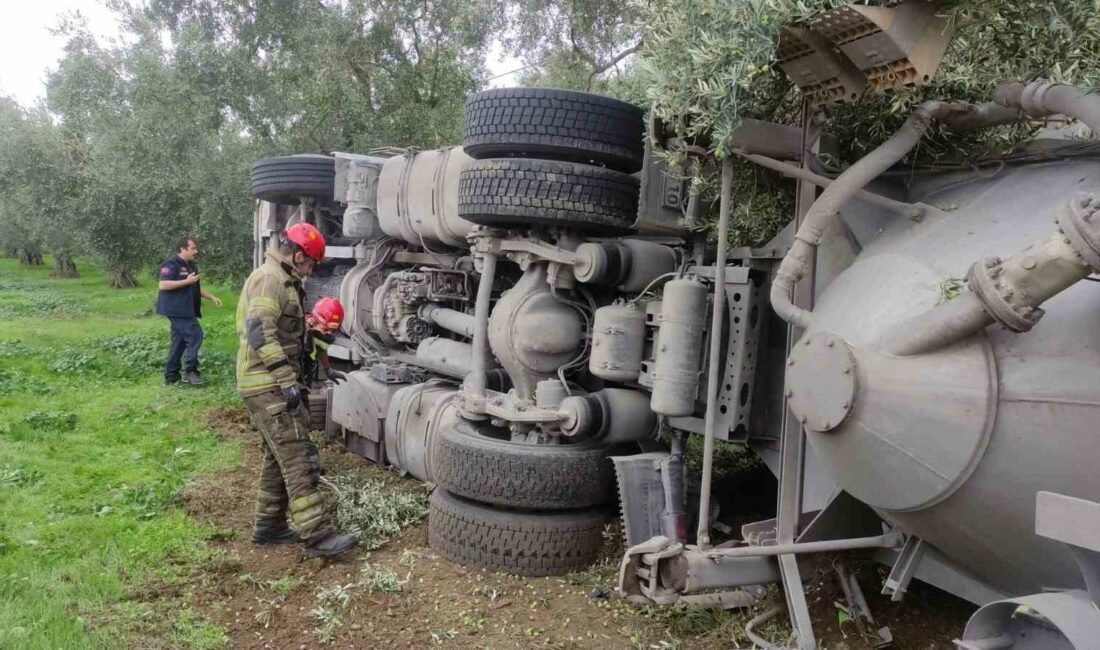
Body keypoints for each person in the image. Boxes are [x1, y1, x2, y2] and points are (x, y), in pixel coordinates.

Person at [235, 222, 357, 558]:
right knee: (298, 458)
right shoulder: (270, 279)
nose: (312, 270)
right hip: (268, 385)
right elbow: (260, 332)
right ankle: (317, 536)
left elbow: (288, 333)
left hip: (266, 382)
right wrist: (286, 381)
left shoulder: (284, 280)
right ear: (298, 254)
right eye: (312, 264)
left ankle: (269, 527)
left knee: (278, 458)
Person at [157, 235, 222, 385]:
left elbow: (194, 286)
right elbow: (163, 285)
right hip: (175, 309)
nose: (196, 251)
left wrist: (211, 297)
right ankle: (190, 371)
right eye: (193, 248)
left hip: (187, 308)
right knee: (195, 335)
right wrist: (187, 281)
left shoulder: (192, 266)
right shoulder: (171, 264)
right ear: (183, 248)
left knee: (179, 342)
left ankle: (171, 375)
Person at [303, 297, 348, 388]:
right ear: (313, 321)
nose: (329, 334)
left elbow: (321, 347)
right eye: (325, 329)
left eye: (333, 331)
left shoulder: (316, 335)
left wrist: (328, 369)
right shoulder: (299, 335)